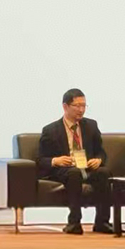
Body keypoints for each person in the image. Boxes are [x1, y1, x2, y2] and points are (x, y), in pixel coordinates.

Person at [37, 88, 113, 235]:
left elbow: (101, 151)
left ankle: (102, 222)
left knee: (104, 173)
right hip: (64, 170)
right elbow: (40, 159)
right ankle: (74, 222)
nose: (81, 110)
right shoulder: (50, 130)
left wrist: (98, 160)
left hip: (87, 167)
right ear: (65, 106)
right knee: (74, 173)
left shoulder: (91, 126)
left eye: (84, 106)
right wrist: (56, 160)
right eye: (77, 106)